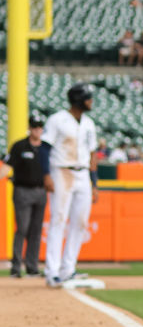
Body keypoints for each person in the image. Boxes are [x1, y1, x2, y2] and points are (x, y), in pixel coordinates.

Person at [41, 84, 100, 287]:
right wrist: (46, 175)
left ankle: (68, 268)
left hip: (83, 173)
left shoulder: (89, 123)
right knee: (58, 220)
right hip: (61, 171)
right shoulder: (57, 120)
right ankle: (52, 271)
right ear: (78, 100)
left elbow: (93, 155)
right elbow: (44, 148)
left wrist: (94, 184)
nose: (91, 101)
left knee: (80, 222)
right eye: (88, 98)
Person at [2, 114, 53, 278]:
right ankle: (16, 268)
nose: (37, 129)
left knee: (36, 231)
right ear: (30, 128)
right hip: (23, 190)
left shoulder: (46, 148)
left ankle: (32, 268)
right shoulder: (20, 146)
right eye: (34, 126)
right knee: (22, 228)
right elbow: (7, 167)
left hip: (40, 191)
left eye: (39, 127)